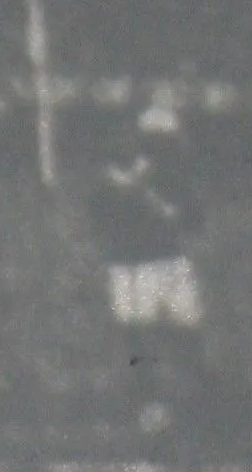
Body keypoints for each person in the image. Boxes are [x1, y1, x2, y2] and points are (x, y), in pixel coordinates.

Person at [87, 97, 206, 432]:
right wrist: (128, 191)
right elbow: (103, 216)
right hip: (133, 265)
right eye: (156, 141)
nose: (162, 150)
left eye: (167, 141)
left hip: (169, 261)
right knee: (138, 333)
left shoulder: (172, 181)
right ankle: (147, 403)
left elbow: (193, 220)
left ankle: (188, 401)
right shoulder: (116, 180)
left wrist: (168, 209)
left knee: (186, 329)